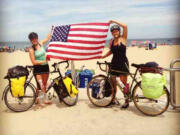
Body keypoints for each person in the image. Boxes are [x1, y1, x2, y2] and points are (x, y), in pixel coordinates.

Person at [101, 20, 130, 108]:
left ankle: (126, 101)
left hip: (122, 63)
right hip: (114, 64)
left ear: (119, 31)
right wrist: (104, 56)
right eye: (113, 31)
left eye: (116, 30)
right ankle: (113, 99)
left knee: (123, 84)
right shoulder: (112, 41)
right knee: (113, 83)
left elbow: (125, 25)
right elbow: (111, 51)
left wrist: (113, 21)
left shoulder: (123, 38)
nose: (115, 32)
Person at [28, 26, 53, 106]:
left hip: (45, 66)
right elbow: (34, 62)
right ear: (30, 40)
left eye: (35, 38)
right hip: (38, 68)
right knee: (40, 85)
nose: (34, 40)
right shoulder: (31, 49)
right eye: (32, 39)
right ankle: (37, 100)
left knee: (45, 84)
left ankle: (44, 100)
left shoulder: (41, 43)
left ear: (37, 38)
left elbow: (48, 38)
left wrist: (52, 30)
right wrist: (43, 61)